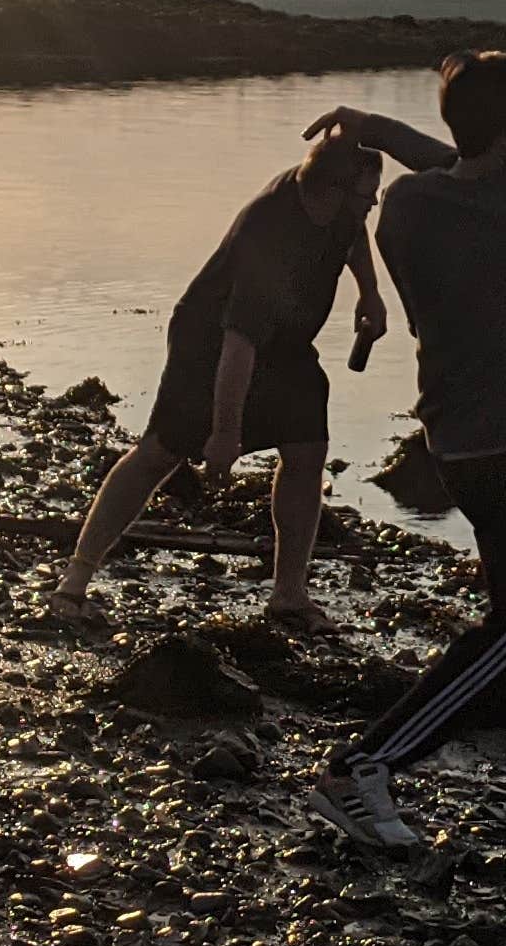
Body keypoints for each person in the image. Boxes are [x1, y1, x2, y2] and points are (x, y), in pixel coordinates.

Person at [295, 51, 506, 853]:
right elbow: (466, 163)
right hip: (505, 437)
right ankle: (360, 767)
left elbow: (452, 164)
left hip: (459, 432)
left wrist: (377, 128)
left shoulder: (405, 211)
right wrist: (391, 128)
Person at [49, 130, 388, 628]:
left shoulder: (338, 210)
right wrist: (225, 432)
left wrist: (370, 292)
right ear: (332, 190)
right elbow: (238, 345)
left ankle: (289, 594)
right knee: (160, 452)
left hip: (286, 342)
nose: (372, 206)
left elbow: (353, 236)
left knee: (307, 449)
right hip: (210, 343)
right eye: (367, 197)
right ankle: (75, 581)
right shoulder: (270, 230)